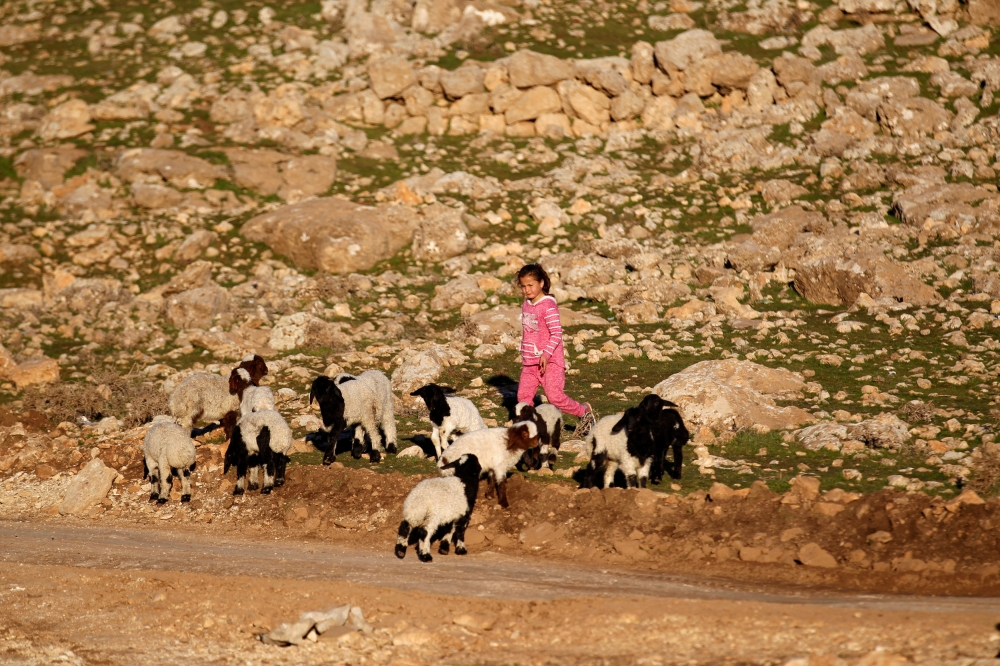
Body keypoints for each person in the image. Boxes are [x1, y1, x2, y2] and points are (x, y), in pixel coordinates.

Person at [516, 263, 596, 437]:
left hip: (550, 361)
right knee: (523, 396)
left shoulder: (548, 306)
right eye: (523, 286)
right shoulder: (526, 304)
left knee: (555, 397)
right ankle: (529, 428)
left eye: (530, 285)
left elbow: (556, 333)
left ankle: (584, 412)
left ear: (542, 283)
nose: (527, 290)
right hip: (530, 363)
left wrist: (545, 354)